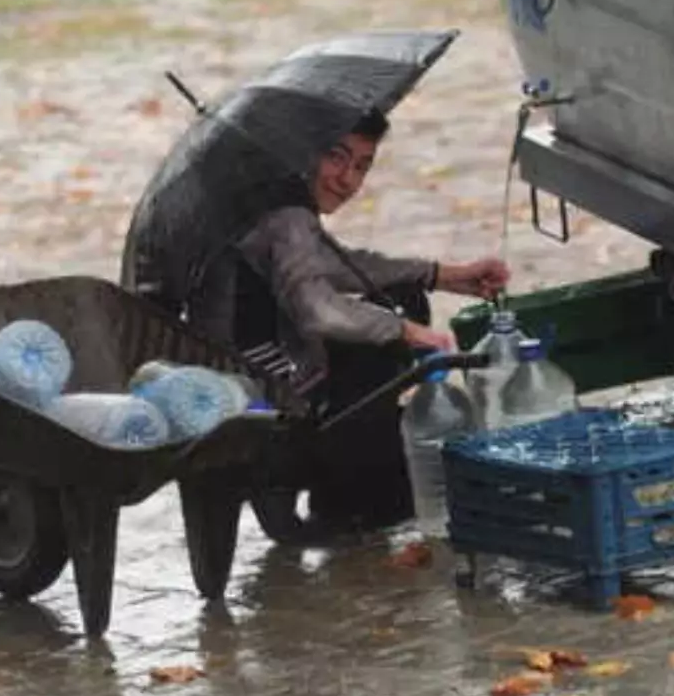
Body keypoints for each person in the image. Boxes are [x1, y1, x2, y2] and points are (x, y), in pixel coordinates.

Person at [123, 107, 510, 541]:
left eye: (362, 165)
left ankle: (346, 472)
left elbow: (338, 265)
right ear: (303, 152)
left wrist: (447, 275)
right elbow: (317, 309)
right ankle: (340, 494)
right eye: (336, 157)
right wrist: (409, 332)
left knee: (402, 297)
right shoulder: (287, 216)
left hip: (236, 381)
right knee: (388, 339)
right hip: (268, 403)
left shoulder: (255, 202)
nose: (347, 179)